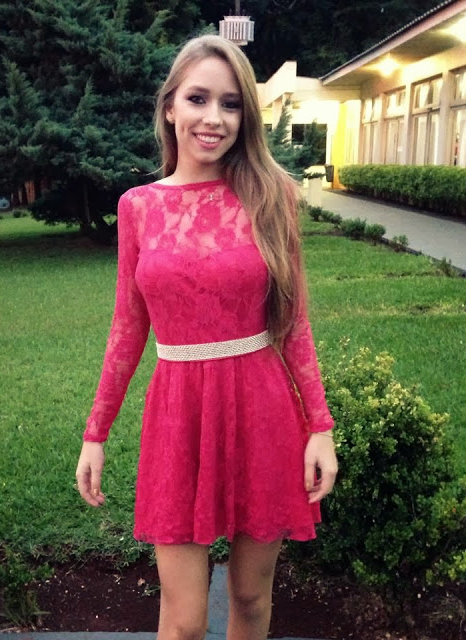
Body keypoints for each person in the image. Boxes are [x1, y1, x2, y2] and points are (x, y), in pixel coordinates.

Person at [76, 34, 338, 640]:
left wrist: (319, 426)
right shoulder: (138, 207)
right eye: (198, 98)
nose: (214, 118)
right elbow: (128, 327)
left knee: (249, 597)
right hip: (177, 416)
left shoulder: (272, 196)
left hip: (261, 410)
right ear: (170, 106)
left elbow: (294, 321)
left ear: (245, 116)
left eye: (230, 103)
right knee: (184, 619)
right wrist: (96, 433)